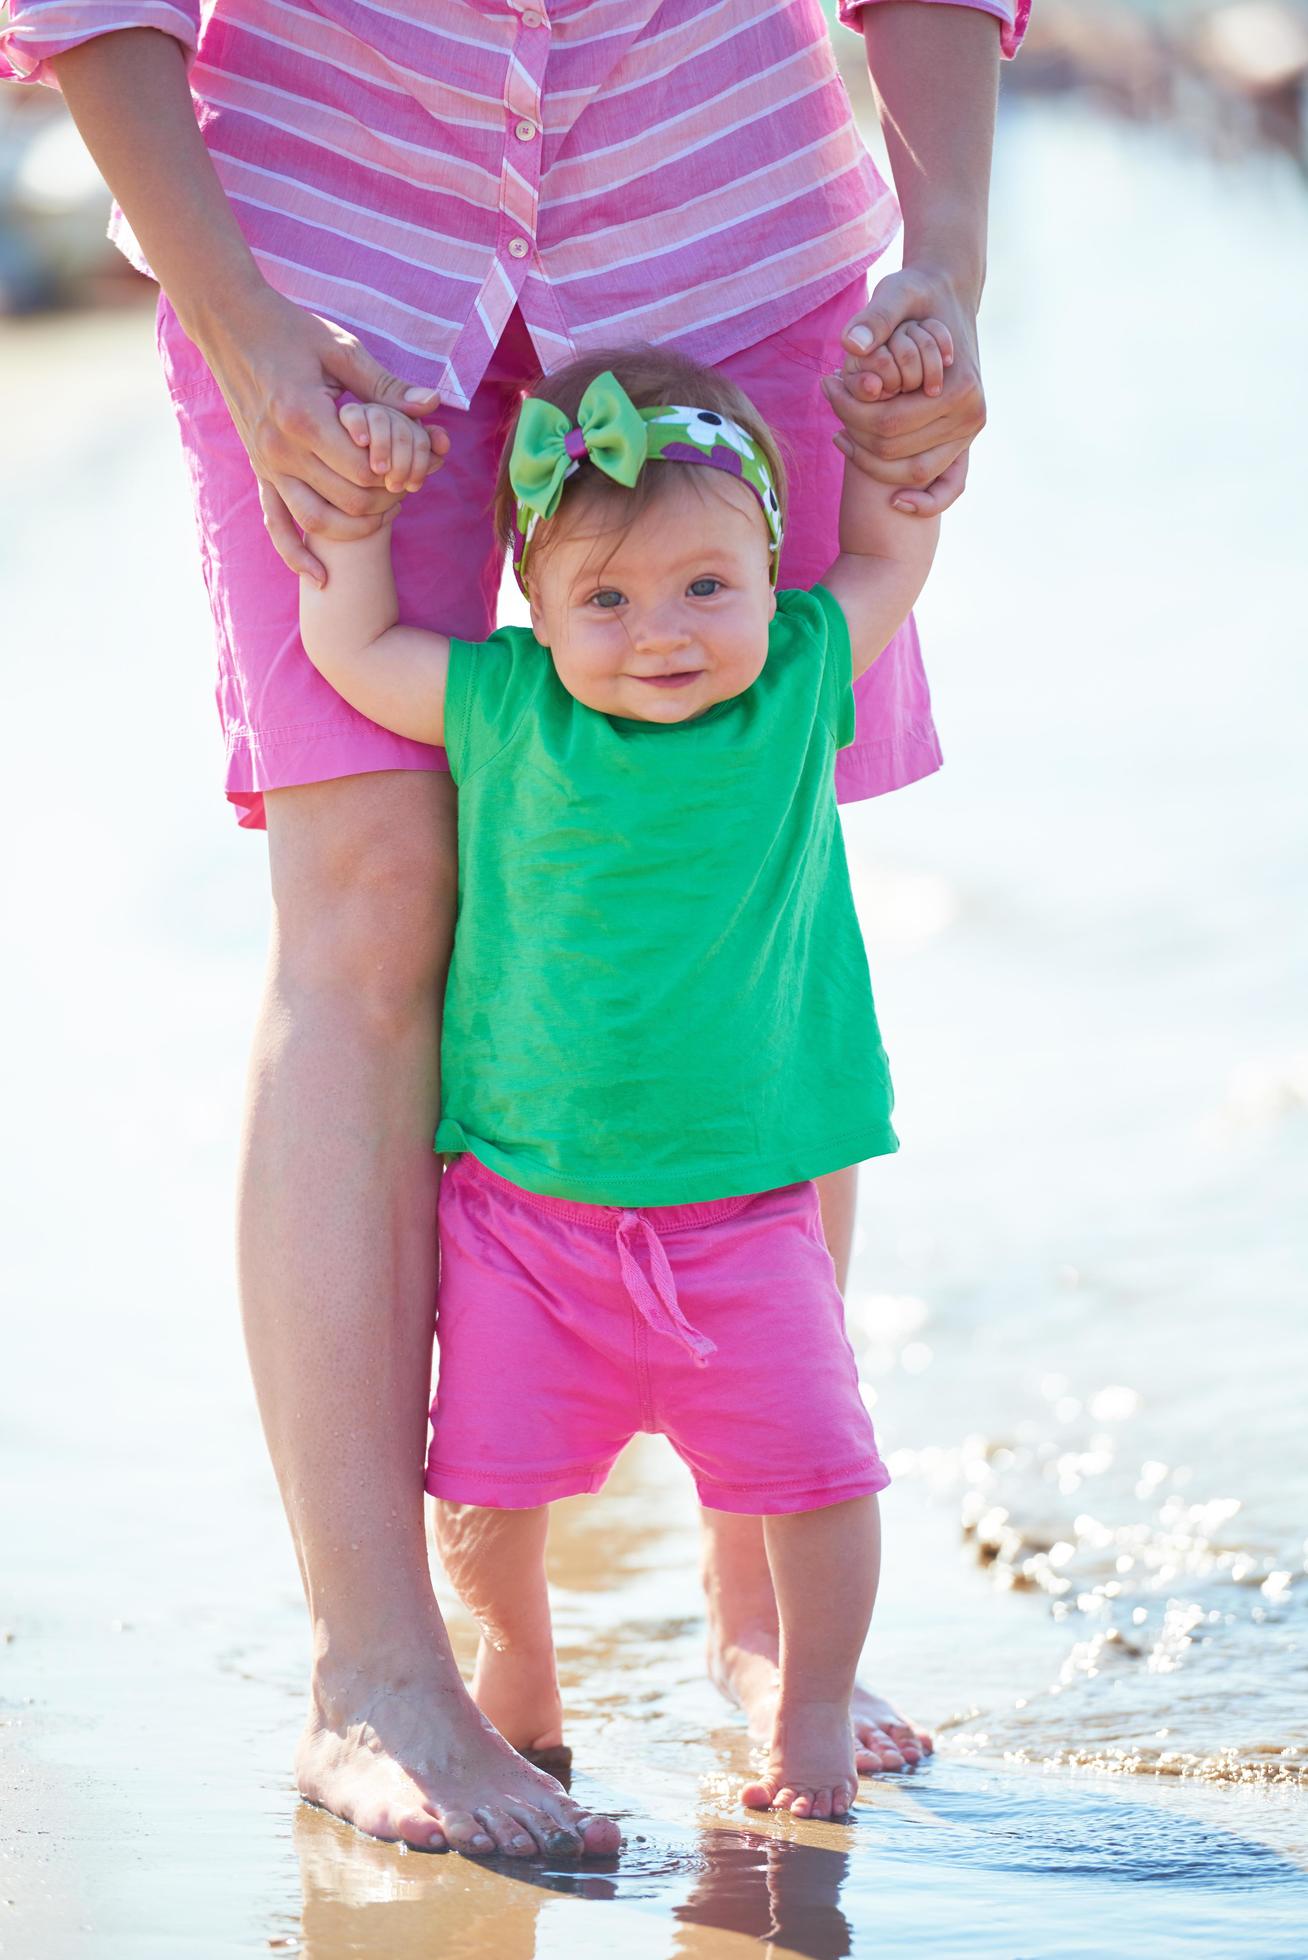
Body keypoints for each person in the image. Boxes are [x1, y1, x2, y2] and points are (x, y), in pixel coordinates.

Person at [2, 0, 1027, 1858]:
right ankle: (381, 1672)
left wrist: (944, 258)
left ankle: (760, 1614)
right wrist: (230, 314)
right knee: (368, 906)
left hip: (733, 215)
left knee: (749, 876)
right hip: (314, 244)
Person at [297, 339, 949, 1826]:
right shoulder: (511, 702)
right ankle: (515, 1677)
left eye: (705, 588)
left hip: (749, 1219)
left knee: (821, 1480)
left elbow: (892, 553)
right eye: (605, 598)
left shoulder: (793, 680)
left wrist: (905, 427)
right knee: (486, 1484)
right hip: (528, 1219)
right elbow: (356, 656)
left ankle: (814, 1711)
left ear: (768, 578)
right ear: (536, 604)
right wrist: (347, 542)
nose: (660, 632)